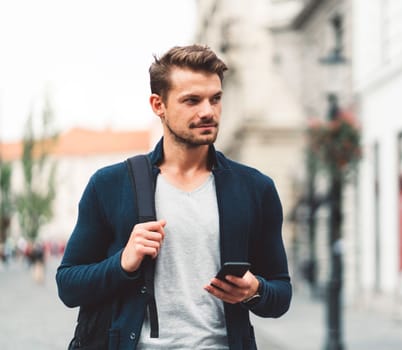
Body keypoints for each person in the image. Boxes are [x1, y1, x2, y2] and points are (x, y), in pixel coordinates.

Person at [56, 44, 292, 350]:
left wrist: (254, 290)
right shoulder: (110, 185)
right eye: (192, 100)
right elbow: (68, 286)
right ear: (159, 105)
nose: (208, 111)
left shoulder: (255, 188)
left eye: (215, 98)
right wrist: (122, 263)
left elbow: (281, 294)